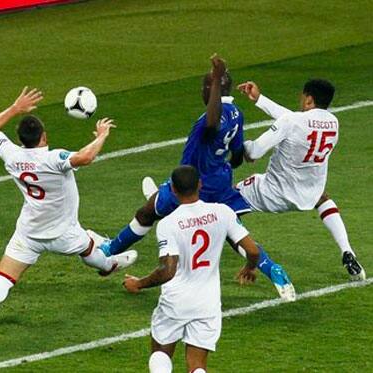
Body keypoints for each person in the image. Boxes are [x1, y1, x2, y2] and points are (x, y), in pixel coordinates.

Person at [99, 55, 295, 301]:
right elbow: (236, 156)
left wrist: (214, 80)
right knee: (231, 234)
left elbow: (213, 123)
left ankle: (109, 250)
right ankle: (272, 269)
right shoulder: (237, 113)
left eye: (206, 87)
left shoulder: (211, 118)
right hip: (220, 183)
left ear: (209, 90)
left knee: (147, 212)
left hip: (192, 184)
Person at [0, 87, 138, 330]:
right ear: (44, 136)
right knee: (90, 251)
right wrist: (101, 135)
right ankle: (109, 265)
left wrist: (16, 107)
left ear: (20, 139)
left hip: (29, 232)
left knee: (4, 276)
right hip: (63, 232)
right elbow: (85, 157)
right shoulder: (53, 158)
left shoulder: (12, 155)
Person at [123, 165, 259, 373]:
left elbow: (167, 270)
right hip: (208, 303)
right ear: (200, 185)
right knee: (197, 366)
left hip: (176, 301)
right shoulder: (222, 212)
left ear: (173, 190)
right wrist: (249, 268)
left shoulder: (168, 223)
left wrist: (138, 284)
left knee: (160, 352)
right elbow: (252, 250)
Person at [236, 79, 366, 281]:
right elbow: (294, 120)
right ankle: (347, 252)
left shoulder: (293, 122)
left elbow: (253, 153)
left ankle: (262, 265)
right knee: (324, 199)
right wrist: (259, 100)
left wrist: (238, 143)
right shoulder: (334, 123)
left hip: (271, 193)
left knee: (225, 207)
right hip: (309, 194)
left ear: (309, 99)